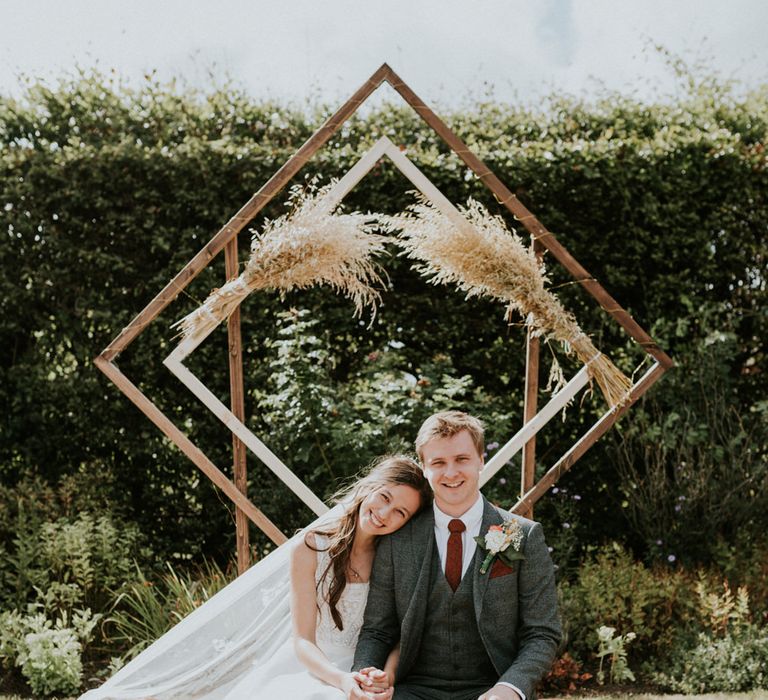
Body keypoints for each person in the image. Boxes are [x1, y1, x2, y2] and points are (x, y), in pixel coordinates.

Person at [352, 411, 562, 700]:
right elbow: (377, 630)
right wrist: (366, 674)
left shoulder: (523, 535)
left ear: (480, 461)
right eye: (438, 462)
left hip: (493, 688)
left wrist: (510, 688)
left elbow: (542, 632)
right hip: (411, 690)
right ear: (425, 469)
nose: (450, 473)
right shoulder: (397, 539)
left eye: (461, 459)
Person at [223, 455, 432, 700]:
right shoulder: (310, 548)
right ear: (369, 486)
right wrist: (341, 680)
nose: (384, 514)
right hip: (314, 667)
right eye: (384, 497)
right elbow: (302, 640)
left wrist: (386, 677)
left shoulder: (398, 560)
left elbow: (401, 634)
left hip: (368, 667)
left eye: (400, 512)